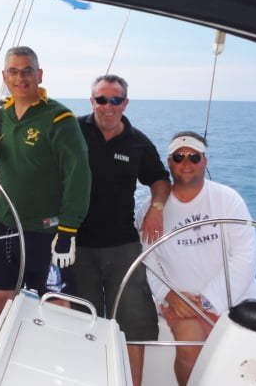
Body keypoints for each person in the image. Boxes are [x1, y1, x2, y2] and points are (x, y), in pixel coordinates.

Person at [136, 131, 256, 386]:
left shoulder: (228, 200)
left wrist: (208, 300)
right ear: (169, 162)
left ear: (204, 162)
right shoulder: (150, 210)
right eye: (179, 157)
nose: (186, 163)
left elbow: (246, 257)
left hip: (237, 297)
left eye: (194, 157)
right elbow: (148, 261)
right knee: (189, 353)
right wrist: (168, 294)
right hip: (181, 301)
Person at [73, 74, 171, 386]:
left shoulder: (138, 142)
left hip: (122, 246)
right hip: (76, 245)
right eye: (102, 99)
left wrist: (156, 209)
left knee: (133, 324)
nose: (108, 106)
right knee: (81, 322)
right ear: (92, 101)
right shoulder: (72, 131)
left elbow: (160, 179)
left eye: (115, 100)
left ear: (125, 103)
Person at [0, 46, 91, 318]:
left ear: (39, 75)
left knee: (56, 306)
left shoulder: (60, 119)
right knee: (0, 299)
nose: (20, 78)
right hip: (4, 223)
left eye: (27, 71)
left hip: (47, 231)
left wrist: (67, 231)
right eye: (13, 71)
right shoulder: (0, 115)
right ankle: (5, 344)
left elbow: (79, 176)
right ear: (4, 77)